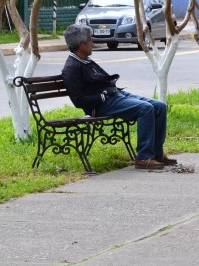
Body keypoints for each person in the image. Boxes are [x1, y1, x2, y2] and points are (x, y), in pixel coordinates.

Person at [61, 23, 176, 171]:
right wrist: (102, 96)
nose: (93, 43)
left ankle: (157, 154)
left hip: (115, 96)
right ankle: (143, 157)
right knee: (145, 109)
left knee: (159, 106)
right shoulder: (72, 68)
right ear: (80, 44)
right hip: (101, 106)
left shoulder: (86, 60)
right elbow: (79, 101)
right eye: (90, 40)